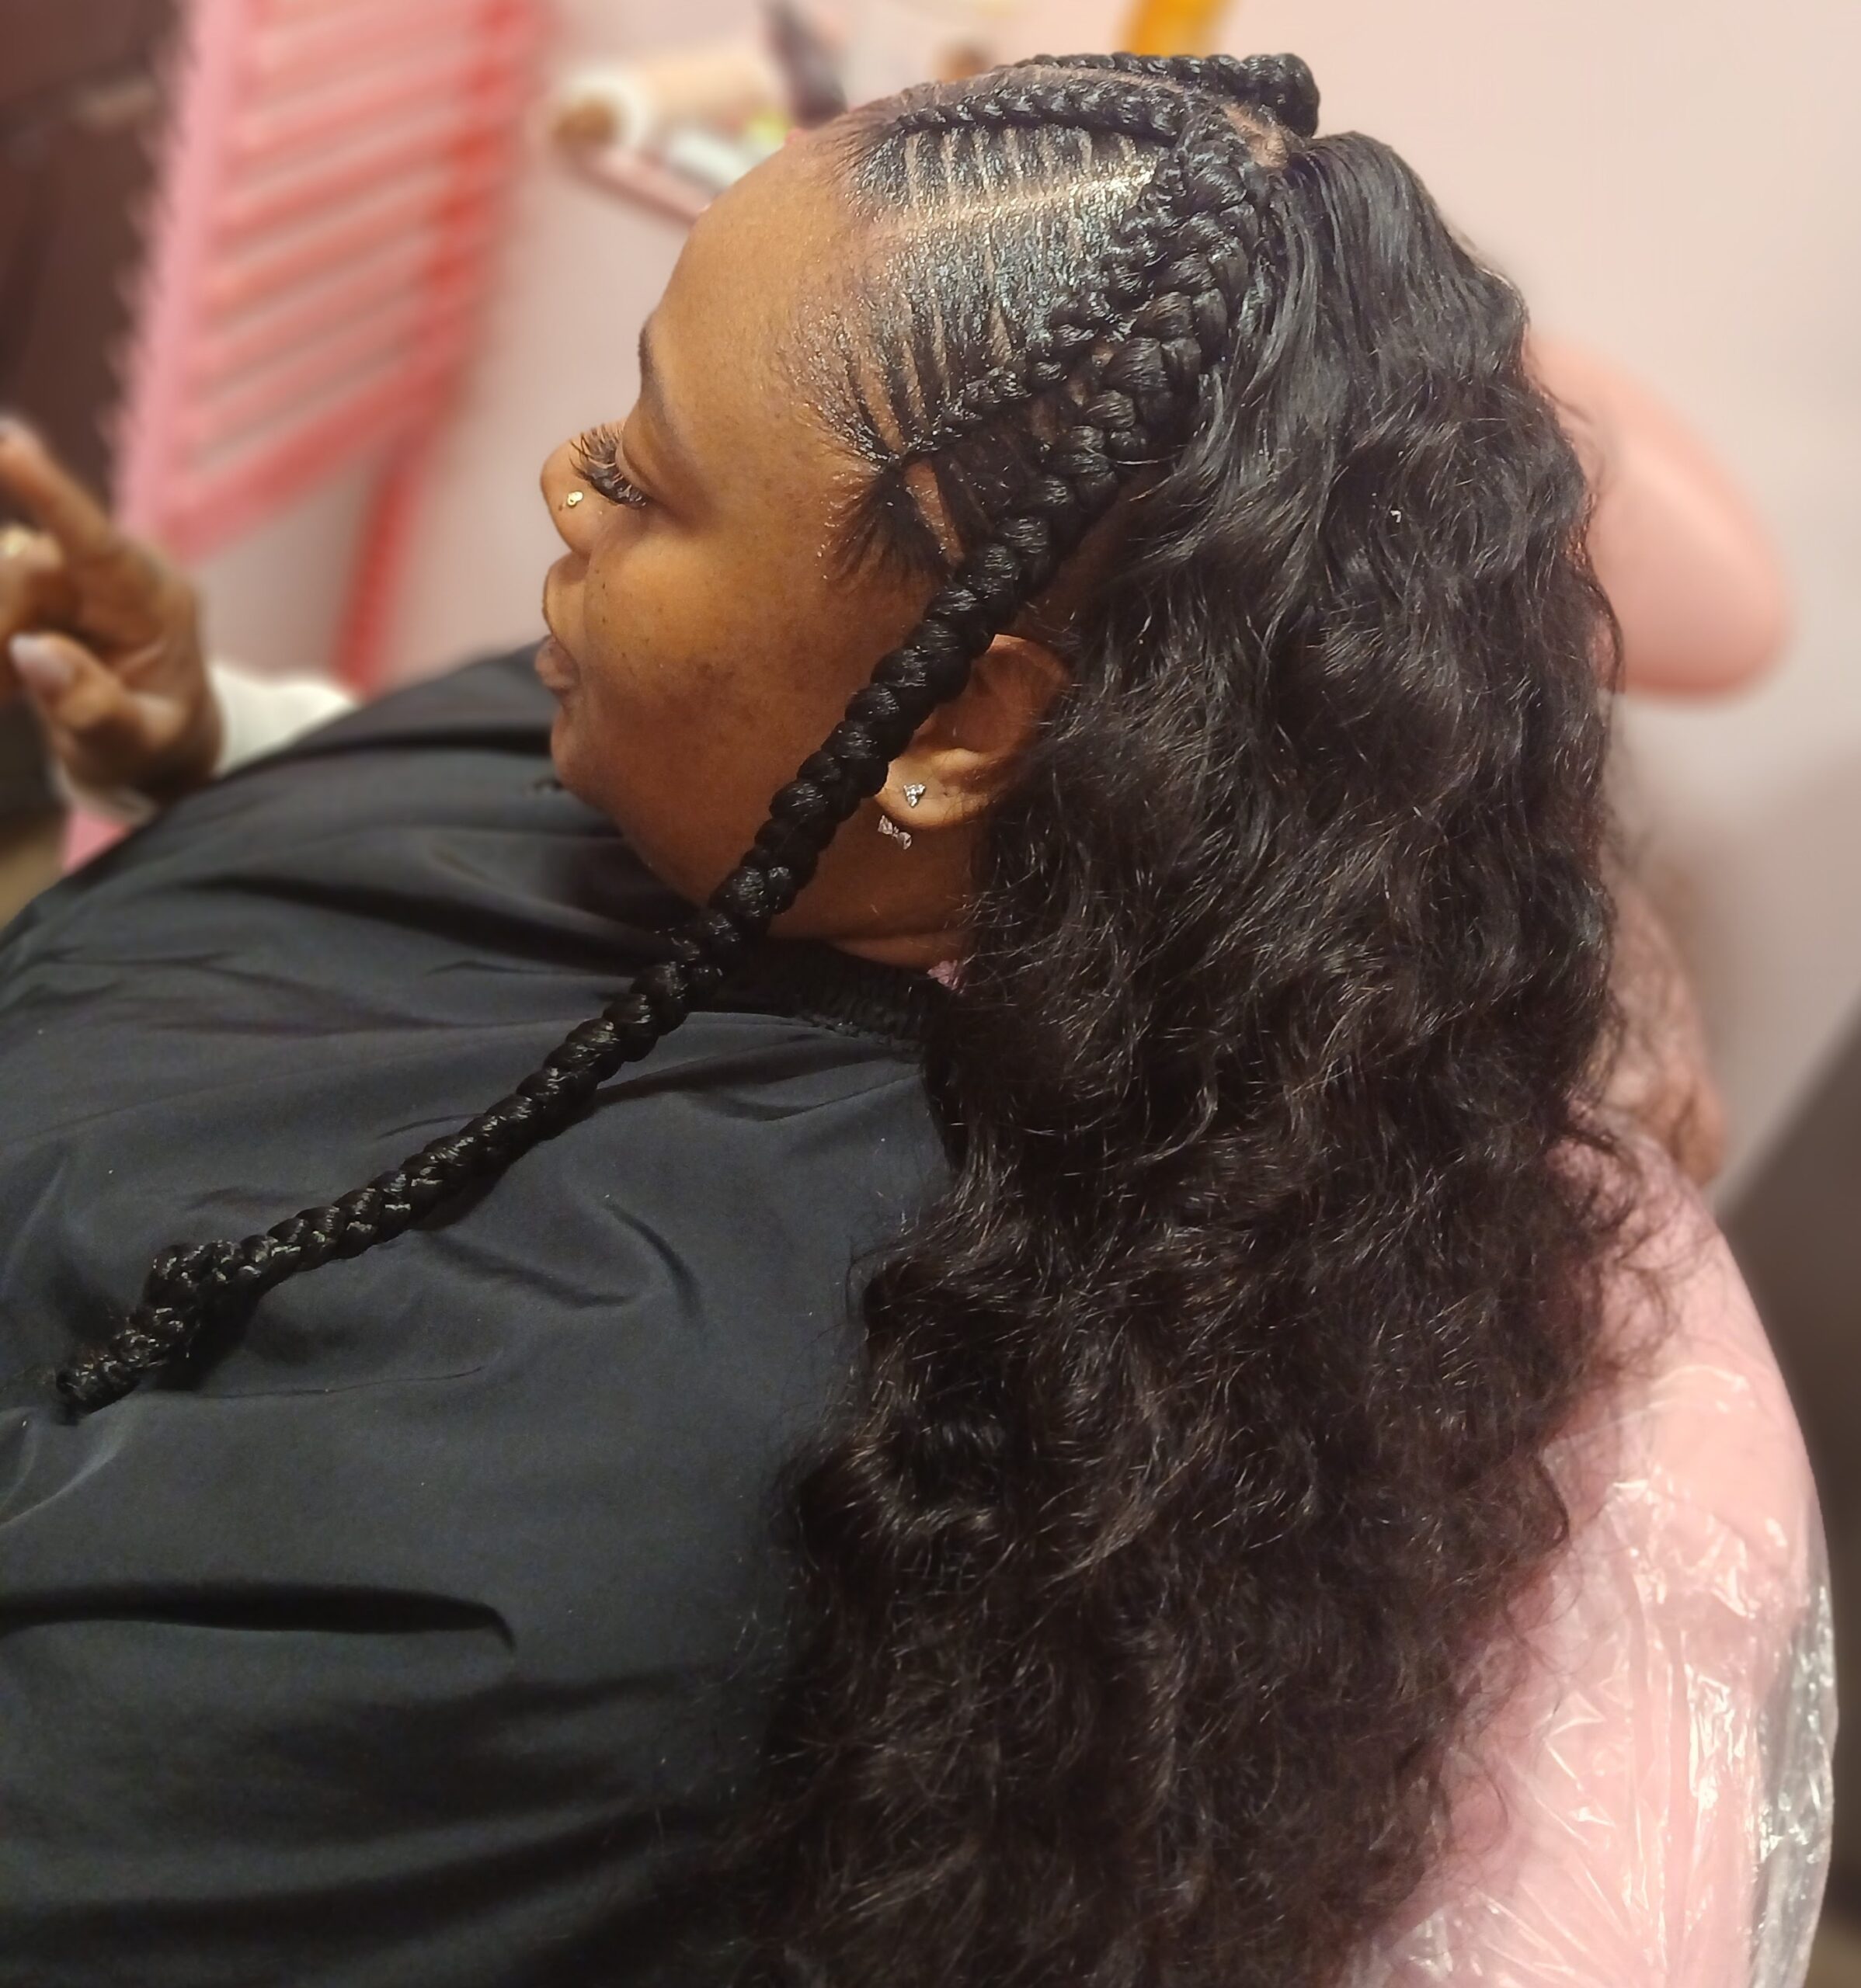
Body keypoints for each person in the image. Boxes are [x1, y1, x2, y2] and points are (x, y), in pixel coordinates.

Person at [0, 52, 1829, 1988]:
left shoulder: (579, 1507)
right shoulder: (727, 768)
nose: (570, 482)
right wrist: (222, 746)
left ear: (955, 723)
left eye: (652, 478)